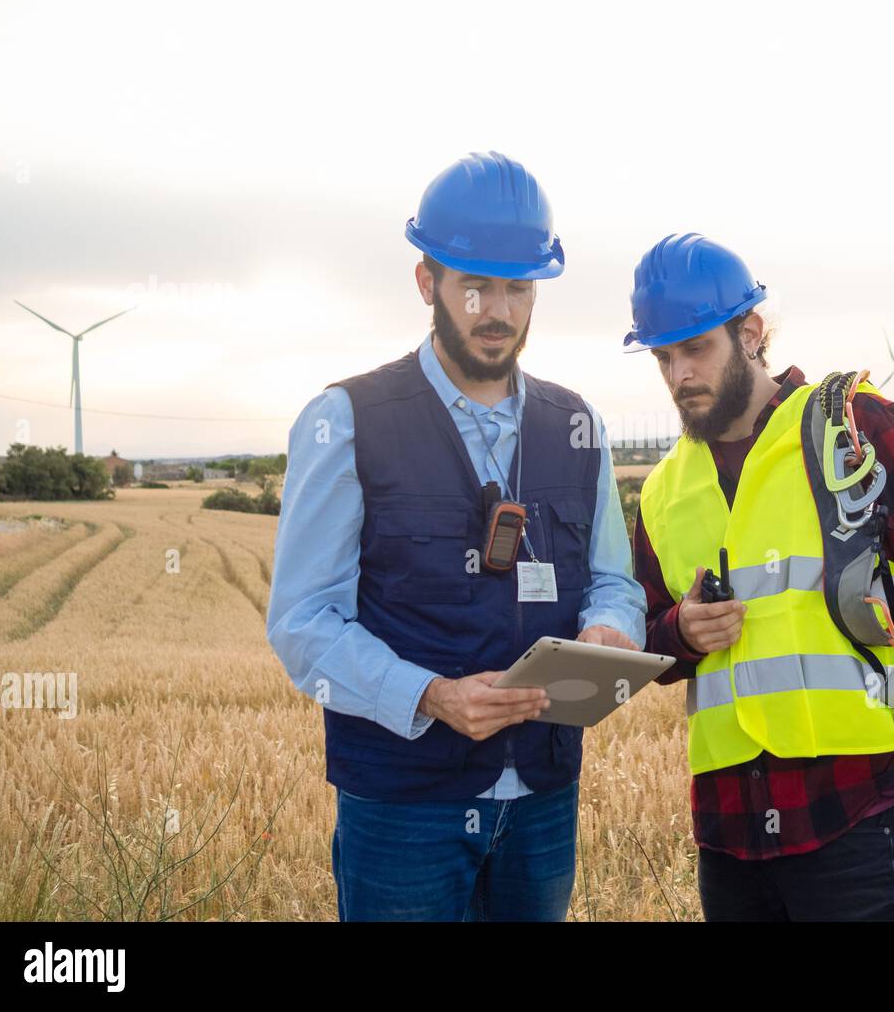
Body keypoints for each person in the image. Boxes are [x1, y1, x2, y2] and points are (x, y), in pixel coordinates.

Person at [267, 151, 646, 921]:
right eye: (474, 284)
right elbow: (302, 623)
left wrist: (610, 629)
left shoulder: (578, 426)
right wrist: (431, 696)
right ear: (426, 283)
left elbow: (615, 577)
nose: (496, 310)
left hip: (543, 798)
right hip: (404, 807)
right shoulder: (345, 421)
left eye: (517, 286)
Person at [624, 232, 894, 922]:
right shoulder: (662, 490)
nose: (679, 375)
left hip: (849, 813)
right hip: (728, 833)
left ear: (751, 332)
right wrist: (679, 631)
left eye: (696, 348)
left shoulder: (851, 427)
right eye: (663, 357)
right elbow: (643, 637)